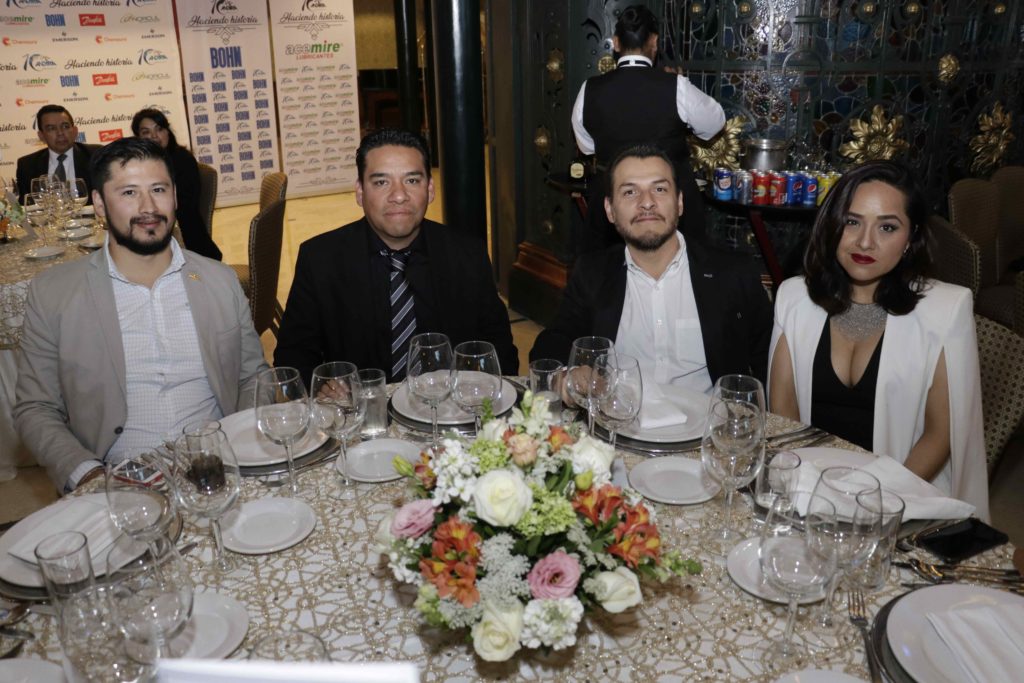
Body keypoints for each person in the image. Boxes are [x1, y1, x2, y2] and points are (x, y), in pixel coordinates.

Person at [14, 138, 268, 492]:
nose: (148, 207)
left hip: (218, 468)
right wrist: (86, 474)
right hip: (114, 481)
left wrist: (242, 442)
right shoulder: (54, 293)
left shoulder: (220, 280)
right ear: (99, 204)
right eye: (129, 193)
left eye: (158, 190)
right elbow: (36, 407)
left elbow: (254, 376)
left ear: (175, 196)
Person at [768, 160, 988, 517]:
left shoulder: (946, 309)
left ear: (911, 237)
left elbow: (940, 435)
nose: (865, 241)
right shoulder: (795, 297)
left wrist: (875, 506)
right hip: (809, 490)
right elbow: (784, 413)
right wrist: (809, 494)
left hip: (901, 496)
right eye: (852, 221)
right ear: (832, 225)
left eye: (887, 227)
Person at [274, 128, 518, 385]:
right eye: (381, 182)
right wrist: (324, 387)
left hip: (448, 403)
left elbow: (500, 352)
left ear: (430, 189)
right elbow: (292, 358)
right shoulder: (321, 260)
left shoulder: (467, 254)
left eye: (412, 180)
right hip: (356, 406)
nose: (399, 195)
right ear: (360, 192)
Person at [530, 144, 772, 393]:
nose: (647, 202)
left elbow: (768, 361)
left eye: (659, 189)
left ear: (679, 202)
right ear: (610, 210)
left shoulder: (733, 274)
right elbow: (552, 343)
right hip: (618, 413)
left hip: (707, 416)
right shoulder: (593, 273)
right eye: (630, 192)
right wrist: (568, 375)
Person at [571, 4, 725, 252]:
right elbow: (715, 123)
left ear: (616, 43)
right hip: (667, 201)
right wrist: (677, 85)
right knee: (678, 269)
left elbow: (587, 147)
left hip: (616, 202)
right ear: (654, 42)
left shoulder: (588, 89)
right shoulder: (675, 86)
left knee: (612, 271)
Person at [132, 108, 222, 260]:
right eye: (146, 132)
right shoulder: (137, 164)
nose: (154, 136)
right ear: (138, 138)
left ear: (167, 132)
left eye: (159, 129)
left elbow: (184, 204)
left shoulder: (182, 160)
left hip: (187, 242)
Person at [16, 104, 100, 203]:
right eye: (51, 128)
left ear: (75, 131)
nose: (60, 133)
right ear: (41, 136)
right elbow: (26, 206)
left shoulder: (96, 155)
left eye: (65, 126)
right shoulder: (27, 165)